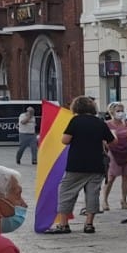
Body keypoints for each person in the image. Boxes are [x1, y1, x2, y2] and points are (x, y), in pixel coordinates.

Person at [44, 97, 112, 235]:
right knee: (93, 194)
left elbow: (65, 140)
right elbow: (113, 141)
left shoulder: (75, 121)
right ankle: (89, 224)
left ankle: (64, 225)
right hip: (96, 163)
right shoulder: (100, 122)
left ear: (76, 108)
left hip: (77, 163)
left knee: (66, 192)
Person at [104, 108, 127, 217]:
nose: (120, 112)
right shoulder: (107, 124)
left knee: (126, 176)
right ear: (112, 112)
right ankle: (105, 200)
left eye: (122, 110)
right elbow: (104, 139)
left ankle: (124, 200)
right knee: (111, 177)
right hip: (113, 152)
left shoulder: (126, 124)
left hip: (126, 151)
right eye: (118, 110)